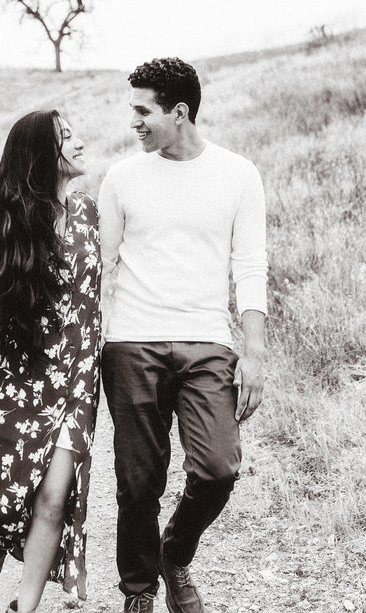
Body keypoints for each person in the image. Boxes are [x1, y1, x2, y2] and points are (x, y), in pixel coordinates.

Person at [98, 57, 268, 613]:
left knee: (218, 468)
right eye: (133, 112)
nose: (135, 123)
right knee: (138, 483)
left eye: (143, 112)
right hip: (131, 342)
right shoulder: (121, 178)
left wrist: (254, 351)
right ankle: (140, 592)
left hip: (205, 341)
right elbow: (99, 270)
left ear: (179, 112)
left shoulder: (238, 174)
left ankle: (175, 551)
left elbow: (250, 266)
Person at [0, 110, 102, 613]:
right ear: (44, 155)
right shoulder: (11, 221)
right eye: (68, 138)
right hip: (19, 378)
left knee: (53, 498)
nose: (81, 142)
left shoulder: (90, 213)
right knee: (4, 500)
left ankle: (25, 606)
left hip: (78, 382)